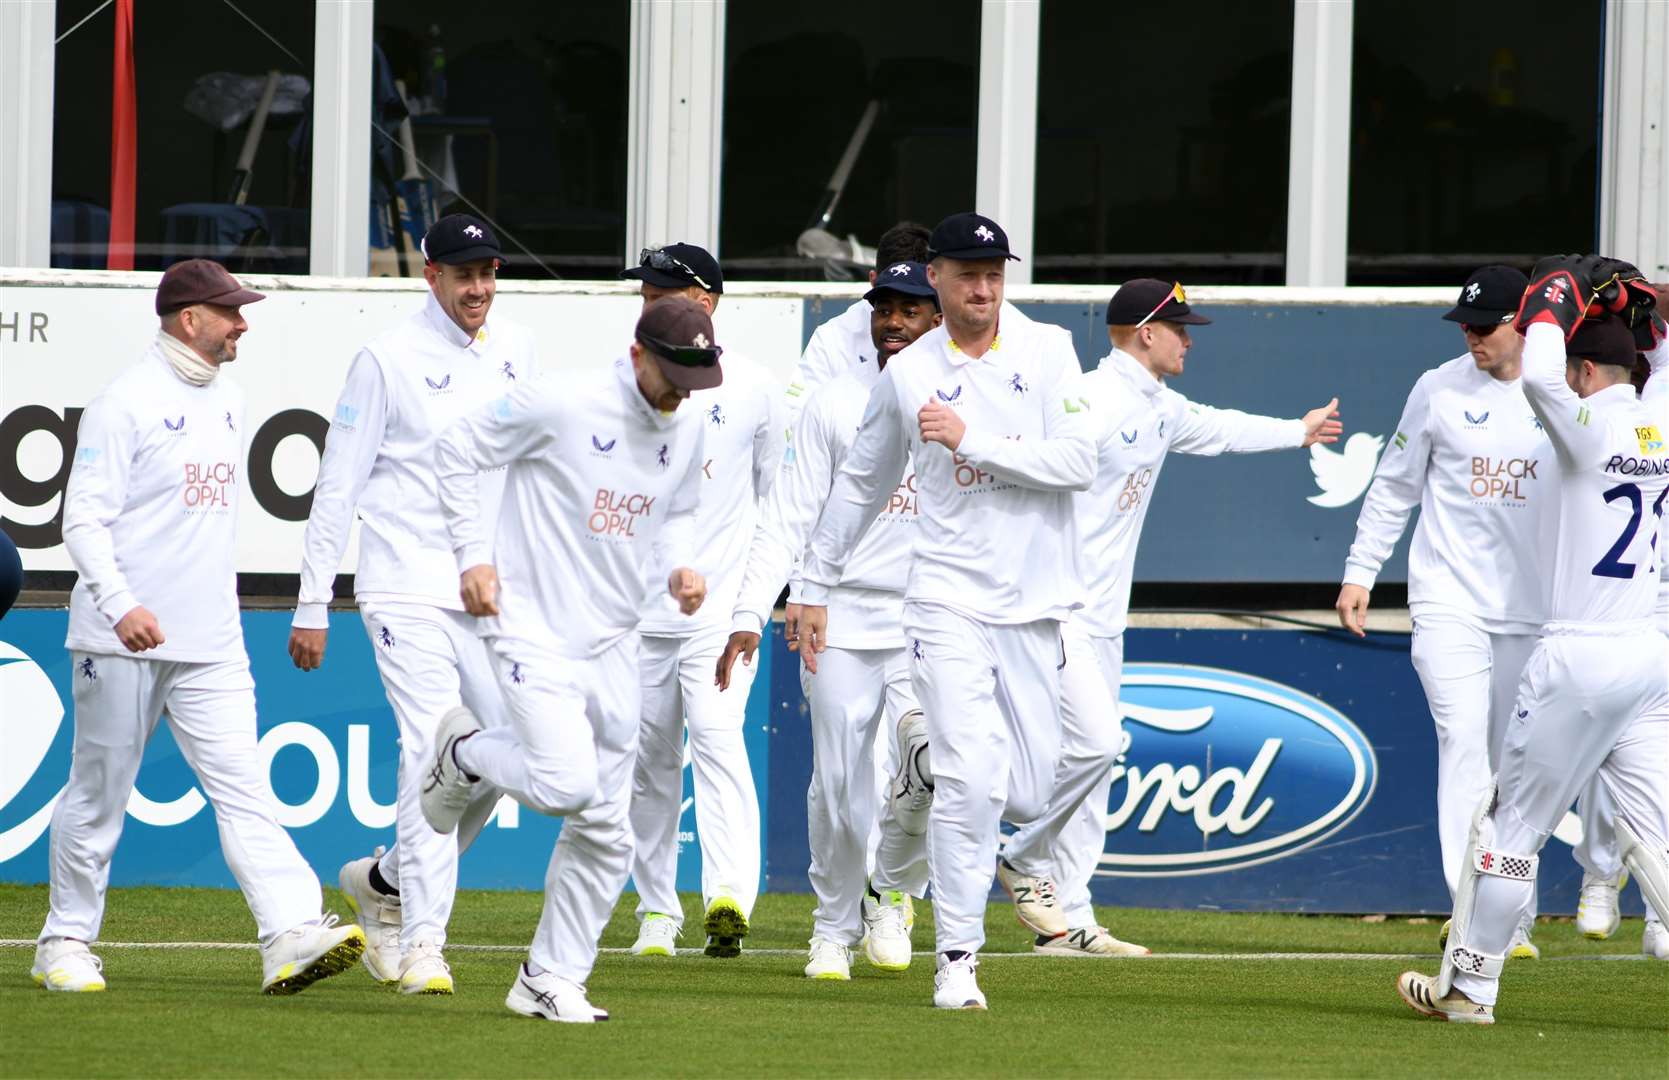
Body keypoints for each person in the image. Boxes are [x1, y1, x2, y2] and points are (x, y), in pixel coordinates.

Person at [33, 260, 365, 995]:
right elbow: (81, 518)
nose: (242, 323)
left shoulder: (229, 399)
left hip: (210, 639)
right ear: (190, 319)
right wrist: (121, 605)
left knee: (244, 787)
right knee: (99, 792)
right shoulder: (125, 402)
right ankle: (63, 941)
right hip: (120, 638)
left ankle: (288, 933)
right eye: (230, 313)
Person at [796, 212, 1097, 1010]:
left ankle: (902, 832)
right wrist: (812, 586)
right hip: (944, 600)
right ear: (934, 277)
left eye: (994, 272)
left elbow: (1077, 462)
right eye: (966, 272)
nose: (983, 287)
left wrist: (972, 441)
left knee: (1027, 792)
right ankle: (956, 959)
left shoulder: (1049, 351)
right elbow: (862, 482)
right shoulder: (906, 373)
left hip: (1034, 605)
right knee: (970, 781)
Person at [1003, 279, 1342, 957]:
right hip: (1053, 610)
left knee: (1090, 764)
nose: (1189, 339)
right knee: (1093, 748)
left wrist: (1296, 433)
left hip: (1101, 617)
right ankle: (1018, 856)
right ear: (1144, 333)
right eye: (1179, 328)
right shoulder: (1092, 400)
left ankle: (1070, 921)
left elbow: (1216, 429)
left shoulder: (1157, 404)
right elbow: (1029, 469)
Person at [422, 295, 717, 1023]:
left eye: (696, 378)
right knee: (563, 784)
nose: (682, 393)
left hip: (617, 639)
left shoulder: (690, 424)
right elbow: (456, 450)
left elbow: (677, 511)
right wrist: (474, 556)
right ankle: (463, 751)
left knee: (608, 829)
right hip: (529, 625)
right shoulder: (561, 401)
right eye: (673, 374)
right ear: (637, 354)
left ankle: (548, 978)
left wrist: (680, 567)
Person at [1397, 257, 1668, 1024]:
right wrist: (1650, 312)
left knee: (1510, 830)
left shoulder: (1584, 427)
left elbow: (1543, 374)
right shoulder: (1660, 419)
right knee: (1659, 835)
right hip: (1649, 654)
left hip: (1580, 655)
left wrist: (1555, 291)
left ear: (1587, 368)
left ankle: (1468, 988)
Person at [287, 214, 535, 993]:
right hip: (402, 583)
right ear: (430, 275)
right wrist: (312, 600)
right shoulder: (385, 359)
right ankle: (426, 942)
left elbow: (529, 475)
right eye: (463, 274)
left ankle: (387, 883)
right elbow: (339, 483)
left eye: (488, 272)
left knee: (506, 761)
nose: (479, 288)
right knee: (433, 749)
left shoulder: (516, 352)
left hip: (489, 593)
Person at [1333, 265, 1585, 959]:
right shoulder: (1437, 388)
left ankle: (1514, 915)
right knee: (1461, 743)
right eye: (1464, 325)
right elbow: (1393, 486)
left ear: (1523, 325)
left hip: (1535, 611)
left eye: (1485, 325)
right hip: (1447, 601)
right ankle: (1472, 912)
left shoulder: (1566, 389)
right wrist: (1360, 572)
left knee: (1519, 760)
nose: (1471, 336)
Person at [717, 261, 941, 980]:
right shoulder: (833, 404)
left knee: (933, 765)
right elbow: (786, 515)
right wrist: (754, 609)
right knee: (841, 790)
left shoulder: (971, 402)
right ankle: (831, 928)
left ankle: (893, 894)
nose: (894, 321)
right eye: (884, 308)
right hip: (838, 617)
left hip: (930, 620)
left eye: (911, 309)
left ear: (938, 318)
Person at [615, 244, 784, 959]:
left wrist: (751, 611)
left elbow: (778, 508)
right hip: (635, 615)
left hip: (718, 617)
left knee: (716, 737)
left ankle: (726, 900)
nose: (647, 301)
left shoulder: (754, 387)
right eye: (644, 292)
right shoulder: (622, 380)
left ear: (706, 300)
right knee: (649, 761)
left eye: (662, 291)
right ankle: (657, 911)